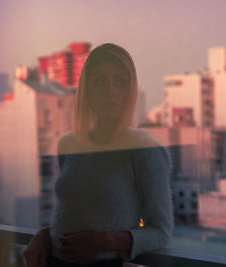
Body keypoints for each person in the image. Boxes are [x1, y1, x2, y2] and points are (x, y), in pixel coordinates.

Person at [24, 43, 173, 267]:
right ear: (87, 89)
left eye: (120, 82)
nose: (110, 90)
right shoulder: (69, 143)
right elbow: (77, 209)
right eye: (100, 81)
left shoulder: (144, 149)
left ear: (130, 90)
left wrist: (108, 241)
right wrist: (46, 235)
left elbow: (161, 231)